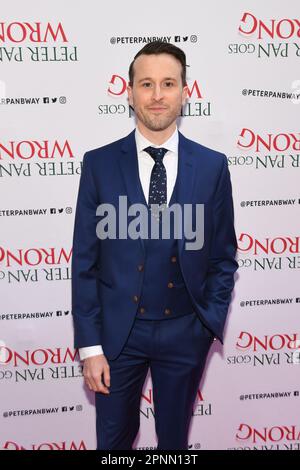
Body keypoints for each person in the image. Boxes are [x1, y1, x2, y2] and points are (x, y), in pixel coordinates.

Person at [71, 40, 238, 450]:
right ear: (129, 92)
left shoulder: (213, 166)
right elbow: (85, 263)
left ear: (185, 91)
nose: (158, 95)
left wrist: (207, 322)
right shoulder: (99, 164)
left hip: (185, 332)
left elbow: (223, 256)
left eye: (168, 83)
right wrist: (90, 346)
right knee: (113, 442)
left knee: (174, 444)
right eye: (146, 84)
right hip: (116, 339)